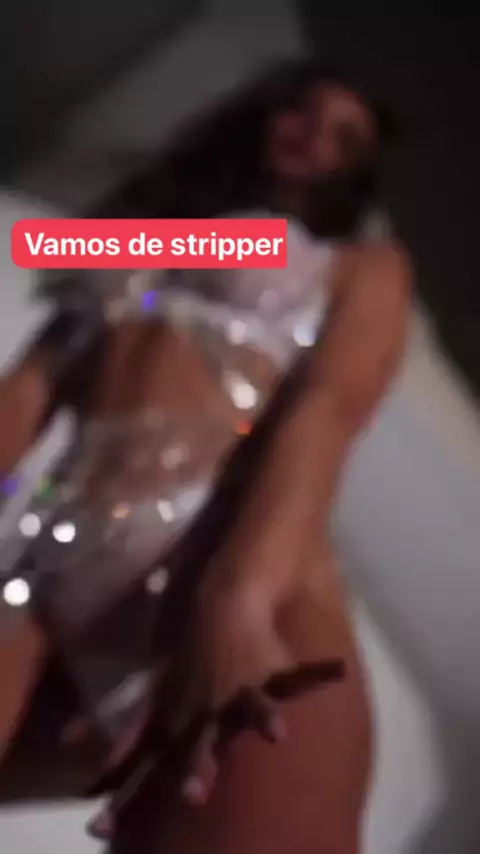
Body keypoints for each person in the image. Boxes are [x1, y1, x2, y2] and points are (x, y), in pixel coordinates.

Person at [0, 59, 411, 854]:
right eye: (304, 114)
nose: (313, 139)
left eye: (344, 138)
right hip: (55, 573)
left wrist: (238, 600)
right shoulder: (155, 234)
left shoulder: (362, 265)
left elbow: (324, 415)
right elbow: (26, 390)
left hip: (234, 578)